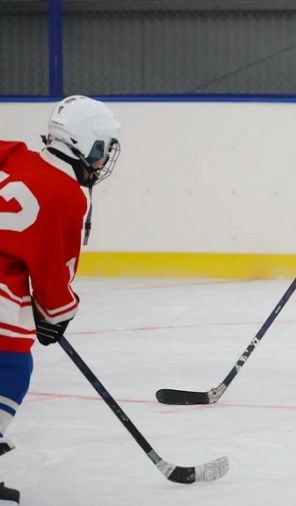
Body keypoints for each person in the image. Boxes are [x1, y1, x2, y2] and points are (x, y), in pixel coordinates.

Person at [0, 95, 122, 503]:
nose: (103, 160)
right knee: (12, 365)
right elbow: (53, 281)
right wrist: (57, 316)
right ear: (87, 146)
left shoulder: (17, 157)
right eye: (102, 149)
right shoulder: (69, 196)